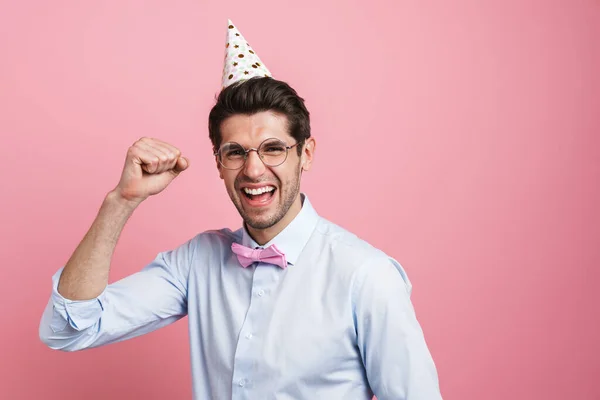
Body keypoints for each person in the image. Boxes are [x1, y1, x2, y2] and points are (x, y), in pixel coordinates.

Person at [39, 20, 443, 400]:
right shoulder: (197, 262)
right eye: (235, 152)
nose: (253, 169)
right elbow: (70, 327)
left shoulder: (366, 275)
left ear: (306, 154)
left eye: (273, 148)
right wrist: (120, 202)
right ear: (218, 162)